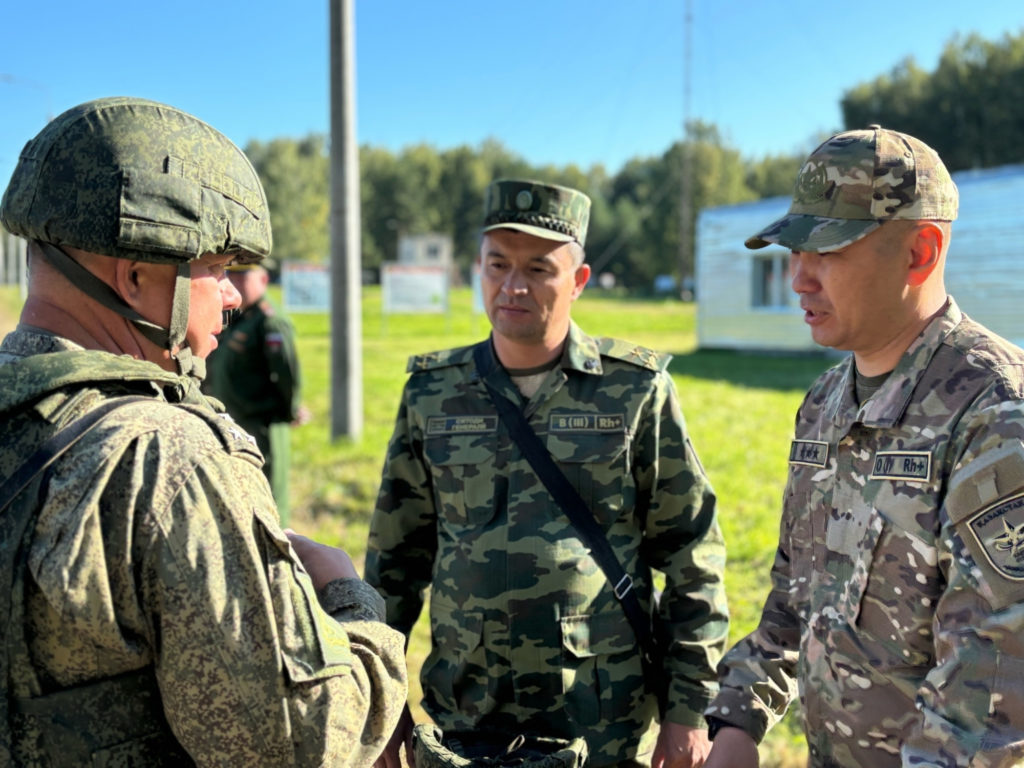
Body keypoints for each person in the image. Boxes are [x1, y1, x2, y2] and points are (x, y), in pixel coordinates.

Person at [0, 96, 406, 766]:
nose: (235, 294)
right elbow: (298, 744)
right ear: (135, 278)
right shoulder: (166, 459)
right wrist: (350, 599)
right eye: (215, 267)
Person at [366, 178, 729, 768]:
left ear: (578, 281)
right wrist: (380, 701)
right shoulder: (433, 393)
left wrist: (688, 711)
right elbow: (393, 564)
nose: (514, 286)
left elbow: (692, 553)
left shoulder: (633, 390)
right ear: (477, 271)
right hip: (466, 715)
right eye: (498, 264)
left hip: (598, 721)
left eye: (539, 269)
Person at [703, 126, 1024, 767]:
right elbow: (795, 596)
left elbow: (992, 693)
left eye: (828, 250)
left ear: (920, 252)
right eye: (794, 250)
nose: (798, 277)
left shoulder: (996, 414)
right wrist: (736, 722)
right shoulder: (825, 403)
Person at [204, 259, 308, 524]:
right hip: (236, 420)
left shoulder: (269, 321)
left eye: (243, 277)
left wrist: (289, 410)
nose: (234, 283)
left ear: (262, 280)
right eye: (231, 275)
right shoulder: (240, 317)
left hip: (262, 423)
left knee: (268, 493)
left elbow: (287, 373)